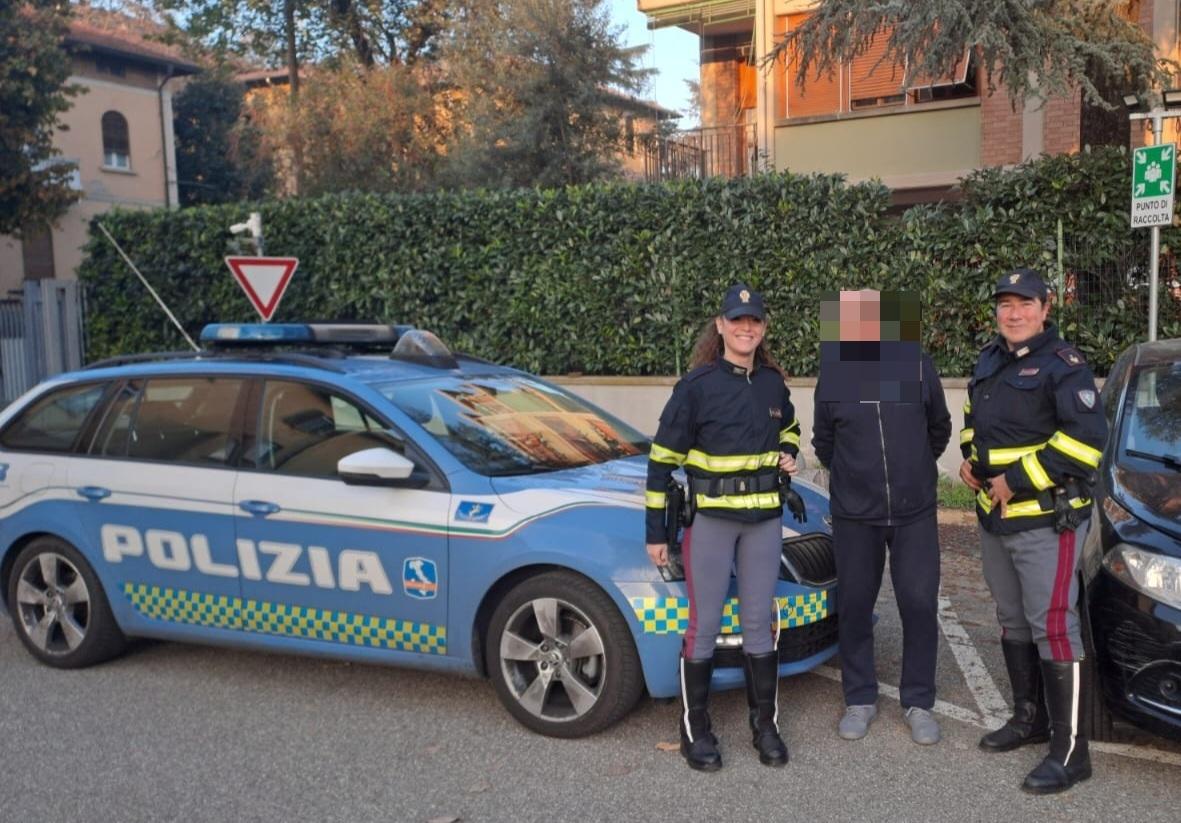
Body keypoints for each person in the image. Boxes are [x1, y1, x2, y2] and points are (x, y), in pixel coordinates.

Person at [959, 268, 1107, 795]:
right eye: (1005, 304)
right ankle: (1030, 718)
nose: (1014, 313)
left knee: (1054, 626)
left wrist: (1014, 479)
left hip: (1047, 518)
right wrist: (971, 461)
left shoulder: (1064, 366)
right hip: (995, 515)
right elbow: (974, 420)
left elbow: (1084, 444)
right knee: (1012, 619)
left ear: (1046, 308)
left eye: (1025, 304)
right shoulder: (989, 359)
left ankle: (1071, 752)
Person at [644, 283, 801, 772]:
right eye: (737, 320)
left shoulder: (773, 383)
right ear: (721, 326)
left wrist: (789, 450)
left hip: (763, 523)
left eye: (754, 320)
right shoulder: (696, 387)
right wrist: (655, 533)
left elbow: (790, 426)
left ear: (763, 328)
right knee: (705, 625)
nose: (745, 328)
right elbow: (660, 462)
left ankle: (765, 727)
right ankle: (696, 730)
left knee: (758, 623)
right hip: (712, 523)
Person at [812, 289, 951, 746]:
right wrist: (855, 478)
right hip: (855, 515)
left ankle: (919, 702)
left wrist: (915, 470)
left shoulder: (917, 367)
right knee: (854, 605)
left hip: (914, 513)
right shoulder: (834, 375)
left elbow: (939, 428)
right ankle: (859, 698)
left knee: (919, 604)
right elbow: (824, 441)